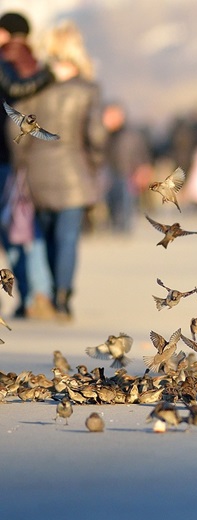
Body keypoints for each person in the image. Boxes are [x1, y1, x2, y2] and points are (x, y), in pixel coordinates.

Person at [10, 20, 106, 321]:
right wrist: (95, 162)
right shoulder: (87, 89)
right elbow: (97, 134)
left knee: (44, 237)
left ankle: (47, 293)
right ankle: (63, 297)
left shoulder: (33, 86)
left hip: (37, 171)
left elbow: (15, 128)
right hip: (75, 172)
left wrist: (21, 163)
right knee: (67, 238)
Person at [0, 11, 54, 318]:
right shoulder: (35, 62)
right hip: (33, 156)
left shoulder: (7, 63)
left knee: (15, 232)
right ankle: (39, 294)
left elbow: (15, 91)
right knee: (27, 228)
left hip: (8, 157)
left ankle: (33, 295)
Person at [101, 101, 153, 233]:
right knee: (111, 202)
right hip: (109, 174)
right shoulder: (102, 134)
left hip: (128, 173)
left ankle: (124, 228)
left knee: (126, 202)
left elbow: (142, 154)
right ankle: (114, 226)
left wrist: (143, 170)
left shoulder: (132, 134)